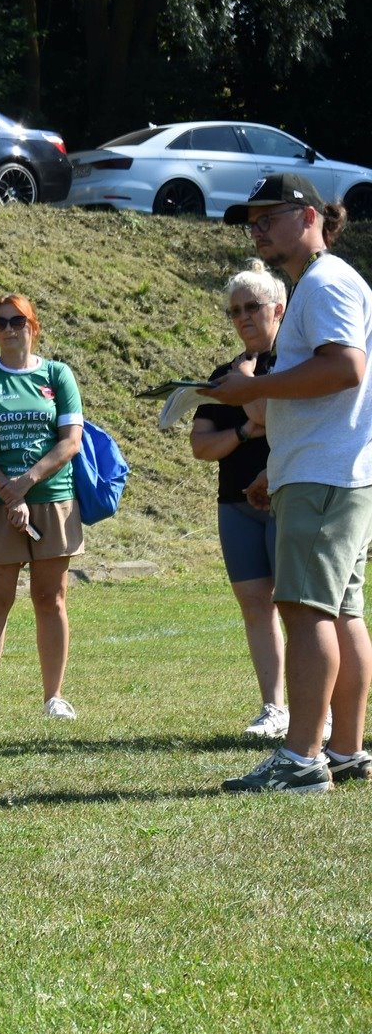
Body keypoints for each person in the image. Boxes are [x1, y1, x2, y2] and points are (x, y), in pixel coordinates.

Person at [210, 174, 372, 793]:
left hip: (325, 477)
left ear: (308, 217)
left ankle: (302, 759)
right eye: (251, 222)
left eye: (267, 218)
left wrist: (251, 388)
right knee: (341, 612)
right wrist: (274, 469)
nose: (257, 231)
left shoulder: (326, 282)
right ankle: (346, 750)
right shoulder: (322, 282)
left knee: (304, 612)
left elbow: (345, 369)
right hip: (329, 472)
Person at [0, 293, 84, 724]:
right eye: (0, 322)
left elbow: (70, 442)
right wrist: (8, 493)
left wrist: (25, 484)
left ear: (34, 326)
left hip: (52, 499)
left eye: (18, 321)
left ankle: (55, 697)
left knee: (51, 599)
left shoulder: (58, 375)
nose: (9, 329)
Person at [191, 260, 289, 740]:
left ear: (278, 308)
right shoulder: (222, 376)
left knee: (301, 606)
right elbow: (201, 446)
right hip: (235, 503)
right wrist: (247, 431)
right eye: (235, 310)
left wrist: (248, 380)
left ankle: (322, 710)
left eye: (252, 306)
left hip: (288, 498)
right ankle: (274, 707)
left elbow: (267, 410)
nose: (244, 317)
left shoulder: (293, 365)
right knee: (255, 604)